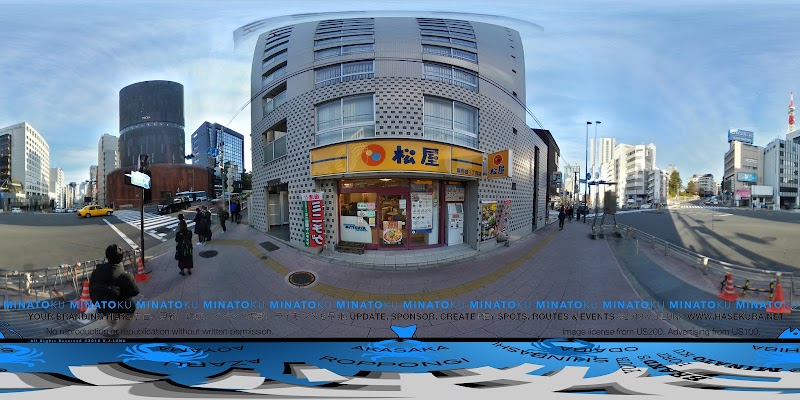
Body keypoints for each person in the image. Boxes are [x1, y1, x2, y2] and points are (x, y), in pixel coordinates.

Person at [89, 244, 140, 337]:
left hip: (102, 305)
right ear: (121, 258)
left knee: (109, 313)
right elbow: (135, 291)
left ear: (107, 257)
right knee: (131, 307)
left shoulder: (96, 272)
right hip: (119, 306)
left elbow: (91, 288)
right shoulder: (125, 276)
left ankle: (113, 326)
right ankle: (115, 331)